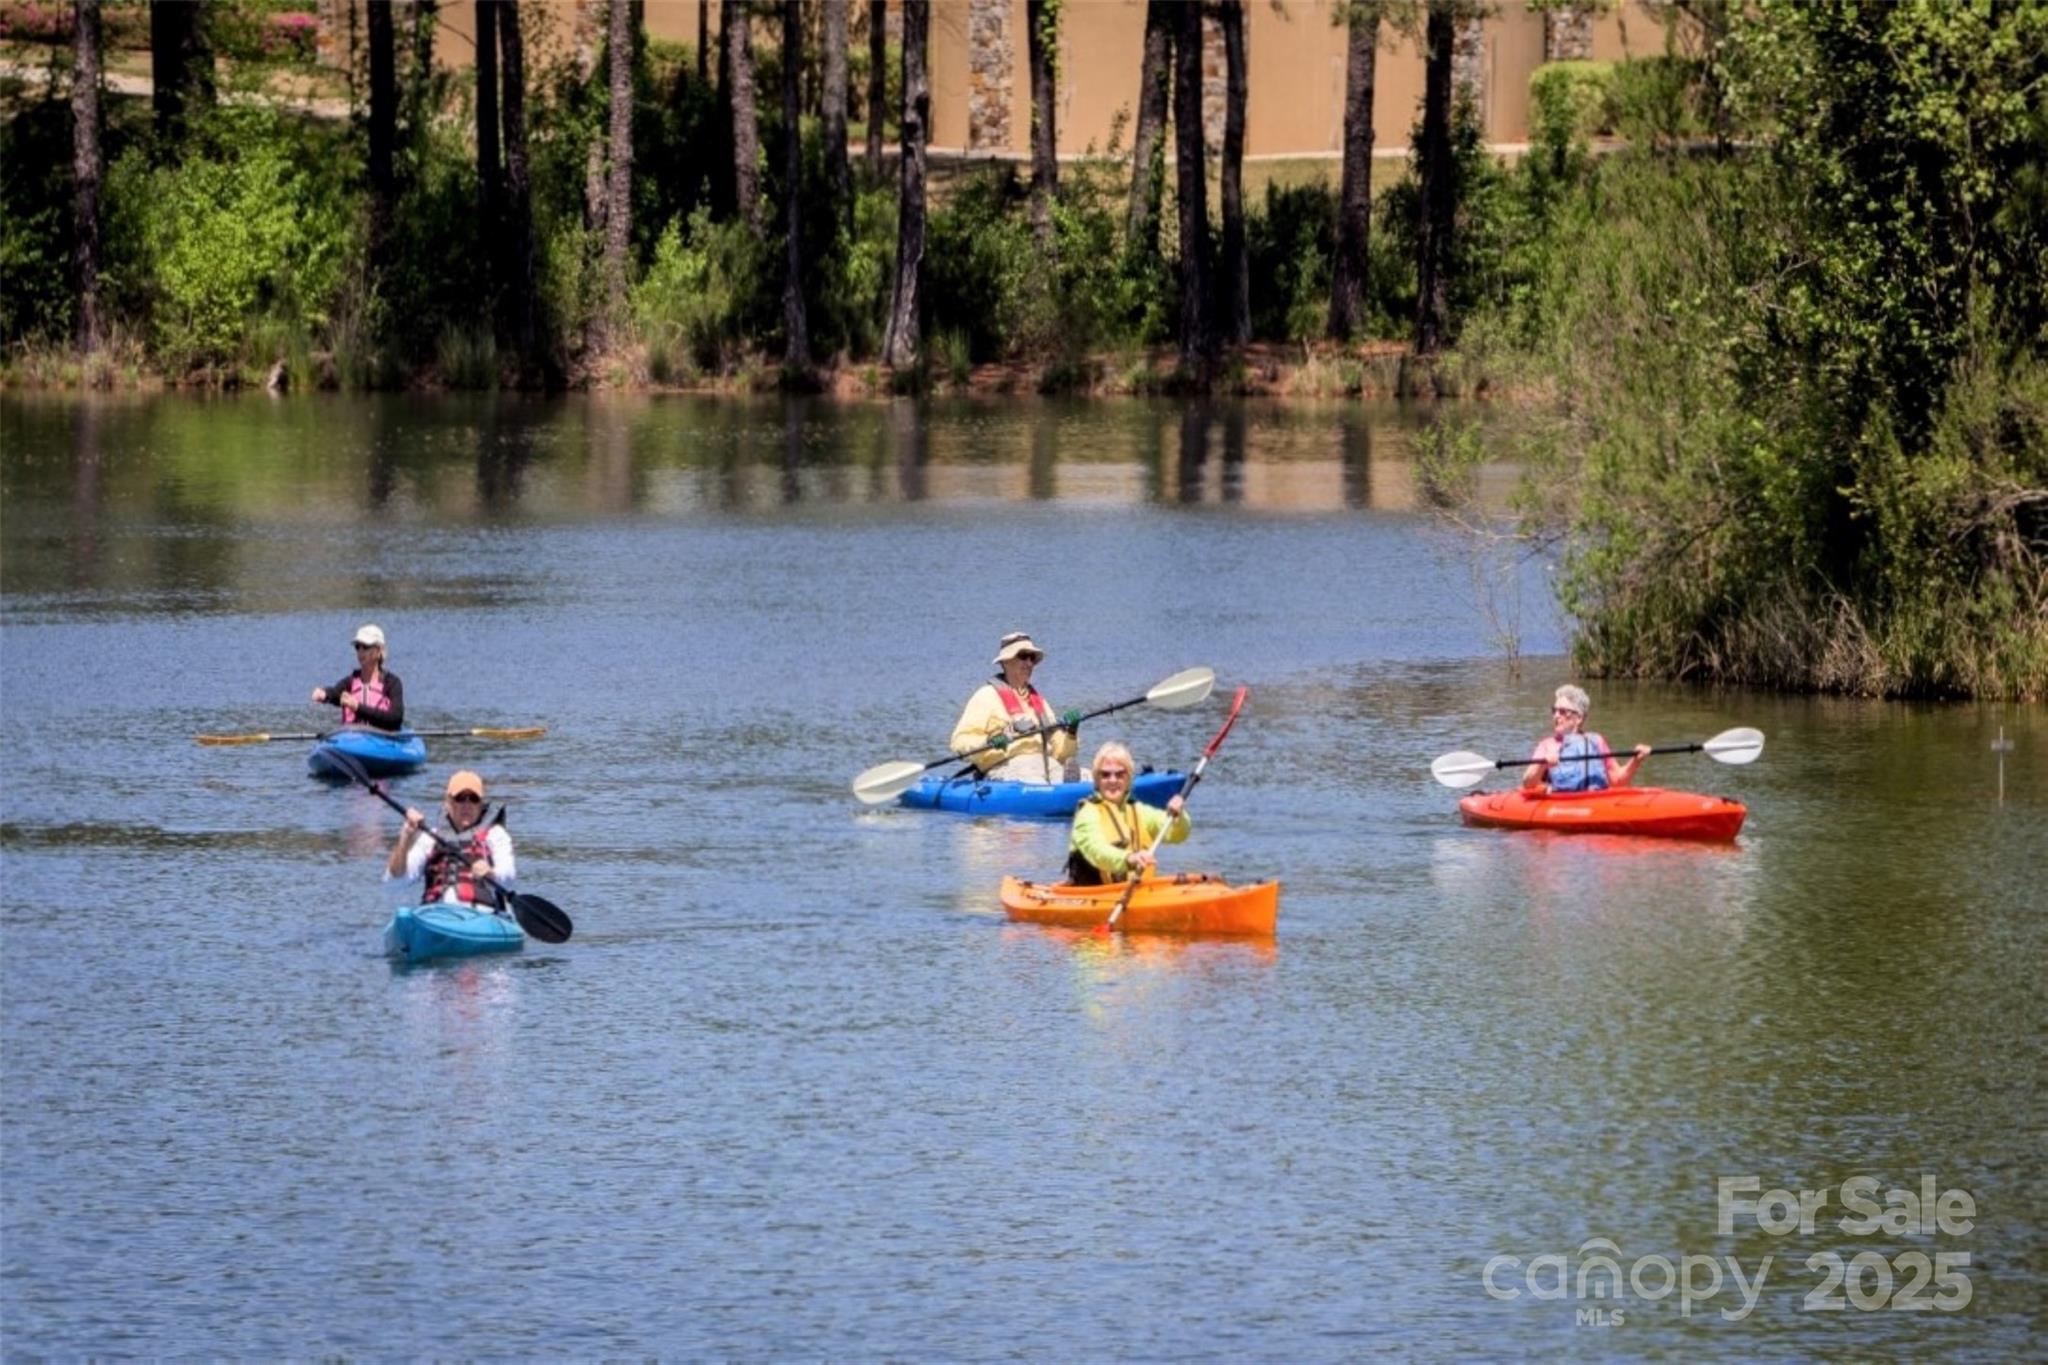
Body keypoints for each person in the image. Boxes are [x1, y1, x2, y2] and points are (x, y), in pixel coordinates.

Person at [950, 631, 1081, 784]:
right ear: (1006, 662)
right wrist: (988, 741)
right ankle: (1060, 795)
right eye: (1023, 656)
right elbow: (959, 741)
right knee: (1035, 782)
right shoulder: (985, 696)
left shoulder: (1039, 701)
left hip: (1046, 763)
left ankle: (1070, 790)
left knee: (1088, 777)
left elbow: (1061, 754)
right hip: (1007, 765)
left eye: (1032, 658)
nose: (1029, 663)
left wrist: (1071, 732)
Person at [385, 769, 516, 906]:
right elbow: (395, 881)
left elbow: (508, 876)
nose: (467, 805)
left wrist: (491, 873)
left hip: (481, 917)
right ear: (448, 802)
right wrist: (405, 838)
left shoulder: (495, 835)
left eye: (473, 799)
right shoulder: (430, 838)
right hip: (435, 915)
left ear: (480, 804)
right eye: (460, 798)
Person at [1065, 741, 1188, 886]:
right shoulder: (1087, 814)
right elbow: (1096, 850)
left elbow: (1177, 834)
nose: (1112, 780)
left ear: (1128, 778)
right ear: (1097, 780)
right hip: (1093, 897)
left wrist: (1178, 817)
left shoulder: (1139, 811)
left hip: (1136, 894)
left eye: (1119, 775)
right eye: (1105, 775)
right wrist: (1129, 859)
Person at [1522, 685, 1650, 793]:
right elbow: (1527, 783)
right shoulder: (1547, 745)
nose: (1556, 716)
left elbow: (1618, 781)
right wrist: (1542, 764)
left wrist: (1636, 761)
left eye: (1562, 711)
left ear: (1579, 718)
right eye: (1554, 711)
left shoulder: (1596, 741)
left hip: (1595, 804)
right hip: (1560, 806)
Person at [312, 624, 405, 732]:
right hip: (353, 741)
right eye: (357, 647)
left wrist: (357, 707)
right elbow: (335, 694)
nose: (360, 651)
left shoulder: (392, 683)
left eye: (365, 647)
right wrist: (324, 694)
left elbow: (396, 719)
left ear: (379, 650)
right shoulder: (350, 682)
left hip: (382, 741)